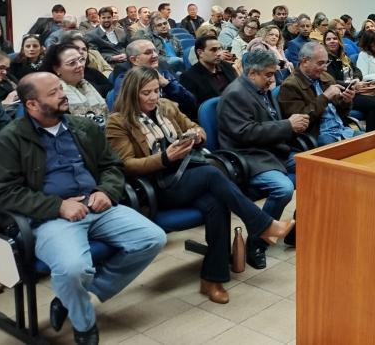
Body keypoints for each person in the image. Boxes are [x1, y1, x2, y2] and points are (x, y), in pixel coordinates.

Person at [0, 72, 166, 345]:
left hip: (97, 205)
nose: (62, 94)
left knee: (152, 238)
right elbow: (5, 192)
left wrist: (106, 191)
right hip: (51, 217)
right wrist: (58, 206)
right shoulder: (11, 138)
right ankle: (84, 322)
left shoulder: (81, 126)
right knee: (74, 268)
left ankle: (76, 296)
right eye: (52, 93)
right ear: (31, 104)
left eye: (60, 88)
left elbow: (111, 166)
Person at [106, 66, 294, 304]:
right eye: (146, 93)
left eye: (156, 91)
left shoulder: (167, 107)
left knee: (216, 202)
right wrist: (165, 158)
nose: (154, 97)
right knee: (213, 175)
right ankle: (262, 224)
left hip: (187, 173)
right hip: (158, 184)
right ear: (132, 94)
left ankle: (212, 278)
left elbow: (197, 127)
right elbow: (127, 165)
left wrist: (195, 136)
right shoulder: (118, 122)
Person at [218, 49, 308, 265]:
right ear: (251, 74)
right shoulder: (235, 94)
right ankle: (256, 243)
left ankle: (296, 230)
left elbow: (267, 121)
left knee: (317, 169)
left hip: (272, 150)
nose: (273, 79)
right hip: (248, 156)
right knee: (283, 188)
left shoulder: (260, 88)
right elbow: (245, 133)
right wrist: (287, 125)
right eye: (268, 74)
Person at [278, 41, 360, 145]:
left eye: (326, 63)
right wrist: (325, 97)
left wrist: (346, 101)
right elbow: (300, 122)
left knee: (371, 142)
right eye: (320, 63)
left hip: (342, 130)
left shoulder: (326, 78)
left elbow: (342, 114)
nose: (325, 68)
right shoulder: (290, 86)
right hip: (318, 135)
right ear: (305, 62)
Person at [325, 29, 375, 130]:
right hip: (343, 94)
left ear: (339, 41)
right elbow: (332, 81)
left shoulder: (344, 56)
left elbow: (357, 71)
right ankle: (371, 137)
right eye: (328, 39)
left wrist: (356, 78)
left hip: (356, 90)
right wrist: (352, 85)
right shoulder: (326, 59)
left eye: (335, 38)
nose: (332, 41)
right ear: (324, 42)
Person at [113, 39, 197, 119]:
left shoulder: (163, 71)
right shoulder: (125, 80)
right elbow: (132, 111)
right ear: (134, 60)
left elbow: (190, 102)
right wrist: (168, 106)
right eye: (148, 52)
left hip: (177, 118)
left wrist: (167, 84)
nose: (155, 55)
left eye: (155, 51)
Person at [42, 44, 109, 127]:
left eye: (81, 60)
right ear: (56, 69)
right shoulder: (55, 98)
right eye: (72, 63)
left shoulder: (89, 85)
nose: (80, 65)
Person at [179, 35, 237, 105]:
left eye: (219, 49)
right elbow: (192, 107)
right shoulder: (188, 77)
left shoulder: (226, 66)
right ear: (200, 53)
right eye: (213, 50)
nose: (219, 53)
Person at [58, 31, 113, 96]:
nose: (81, 52)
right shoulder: (61, 79)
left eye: (84, 49)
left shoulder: (92, 71)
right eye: (76, 48)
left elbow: (110, 88)